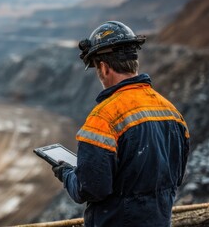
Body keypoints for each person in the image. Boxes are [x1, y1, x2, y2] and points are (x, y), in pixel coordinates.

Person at [51, 21, 190, 226]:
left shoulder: (104, 117)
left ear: (104, 68)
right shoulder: (171, 112)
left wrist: (67, 174)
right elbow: (176, 177)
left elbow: (90, 188)